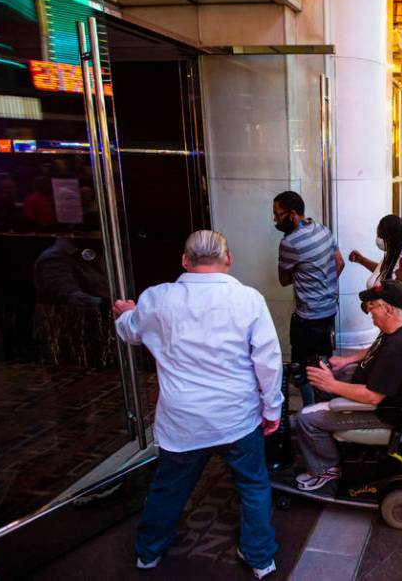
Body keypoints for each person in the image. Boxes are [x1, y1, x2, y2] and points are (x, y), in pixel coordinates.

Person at [114, 231, 282, 579]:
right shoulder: (249, 300)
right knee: (253, 485)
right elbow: (268, 361)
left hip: (183, 420)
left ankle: (149, 553)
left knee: (169, 486)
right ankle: (261, 558)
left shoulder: (157, 299)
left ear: (185, 260)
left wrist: (126, 313)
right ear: (229, 259)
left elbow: (131, 331)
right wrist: (272, 408)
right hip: (237, 416)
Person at [294, 280, 402, 491]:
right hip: (374, 388)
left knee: (305, 418)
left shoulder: (400, 347)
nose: (369, 310)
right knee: (324, 382)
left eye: (373, 305)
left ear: (387, 309)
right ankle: (327, 439)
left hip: (381, 413)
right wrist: (347, 361)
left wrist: (332, 385)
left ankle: (326, 468)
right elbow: (377, 348)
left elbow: (372, 397)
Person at [274, 191, 344, 407]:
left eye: (278, 215)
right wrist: (325, 288)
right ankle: (327, 406)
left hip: (307, 318)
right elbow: (340, 263)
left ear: (293, 214)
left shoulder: (290, 243)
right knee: (323, 361)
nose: (275, 220)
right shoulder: (322, 229)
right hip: (329, 311)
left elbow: (283, 280)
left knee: (302, 368)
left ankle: (309, 411)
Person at [349, 214, 402, 327]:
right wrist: (362, 260)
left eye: (380, 235)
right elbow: (384, 272)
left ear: (390, 237)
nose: (377, 239)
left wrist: (378, 304)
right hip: (395, 321)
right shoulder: (393, 252)